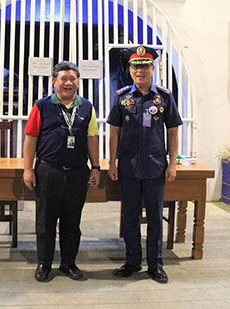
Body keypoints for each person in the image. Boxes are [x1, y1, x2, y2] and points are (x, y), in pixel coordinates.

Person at [107, 46, 182, 284]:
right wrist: (112, 163)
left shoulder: (164, 97)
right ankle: (132, 262)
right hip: (128, 167)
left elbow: (172, 132)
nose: (140, 70)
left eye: (144, 66)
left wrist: (173, 163)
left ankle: (155, 265)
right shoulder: (121, 97)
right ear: (130, 70)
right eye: (135, 66)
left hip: (155, 166)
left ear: (153, 68)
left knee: (155, 217)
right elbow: (114, 133)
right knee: (129, 217)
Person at [22, 61, 101, 282]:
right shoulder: (42, 106)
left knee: (72, 221)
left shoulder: (86, 107)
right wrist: (28, 169)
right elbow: (30, 138)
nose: (68, 83)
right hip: (49, 171)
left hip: (77, 173)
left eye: (72, 79)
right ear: (54, 81)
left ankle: (68, 263)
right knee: (45, 221)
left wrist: (95, 167)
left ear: (78, 82)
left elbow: (92, 137)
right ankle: (44, 264)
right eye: (63, 78)